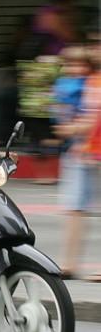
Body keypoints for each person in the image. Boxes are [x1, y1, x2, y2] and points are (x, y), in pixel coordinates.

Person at [52, 42, 100, 281]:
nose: (75, 68)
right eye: (71, 63)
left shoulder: (93, 84)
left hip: (89, 152)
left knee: (79, 208)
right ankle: (69, 264)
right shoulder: (72, 86)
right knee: (74, 209)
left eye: (80, 63)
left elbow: (91, 119)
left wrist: (73, 130)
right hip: (79, 153)